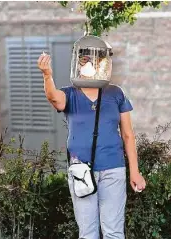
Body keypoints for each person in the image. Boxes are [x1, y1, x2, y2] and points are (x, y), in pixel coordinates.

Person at [37, 52, 146, 239]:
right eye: (83, 60)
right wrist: (47, 75)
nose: (86, 64)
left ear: (101, 64)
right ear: (77, 65)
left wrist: (134, 171)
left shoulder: (115, 93)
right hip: (81, 172)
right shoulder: (70, 93)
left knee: (114, 232)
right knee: (88, 233)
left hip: (113, 170)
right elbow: (54, 98)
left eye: (91, 61)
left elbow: (128, 135)